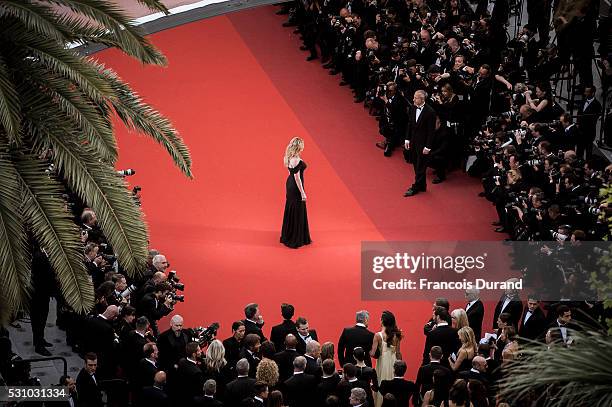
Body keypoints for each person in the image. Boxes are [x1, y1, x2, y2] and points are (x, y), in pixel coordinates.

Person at [280, 137, 312, 248]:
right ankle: (295, 237)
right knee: (297, 208)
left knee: (291, 207)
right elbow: (297, 178)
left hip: (289, 184)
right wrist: (303, 192)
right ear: (299, 146)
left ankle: (289, 234)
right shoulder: (296, 160)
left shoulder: (290, 157)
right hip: (295, 186)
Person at [404, 90, 436, 197]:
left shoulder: (430, 112)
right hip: (413, 141)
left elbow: (431, 131)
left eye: (415, 98)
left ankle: (416, 186)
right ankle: (422, 185)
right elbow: (409, 124)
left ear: (422, 99)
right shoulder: (413, 108)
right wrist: (407, 139)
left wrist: (428, 146)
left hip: (423, 144)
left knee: (420, 166)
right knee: (415, 163)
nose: (413, 99)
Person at [370, 311, 402, 407]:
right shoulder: (397, 335)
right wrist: (399, 364)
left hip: (382, 364)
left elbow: (372, 353)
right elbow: (398, 353)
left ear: (383, 321)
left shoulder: (378, 335)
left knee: (381, 383)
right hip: (394, 362)